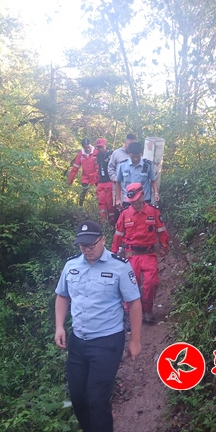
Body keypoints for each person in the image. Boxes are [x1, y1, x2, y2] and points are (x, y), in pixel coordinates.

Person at [55, 221, 142, 432]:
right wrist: (59, 326)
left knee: (97, 399)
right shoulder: (71, 265)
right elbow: (62, 296)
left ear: (103, 240)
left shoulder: (120, 267)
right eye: (82, 246)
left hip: (107, 342)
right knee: (78, 398)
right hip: (78, 341)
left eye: (91, 245)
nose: (87, 250)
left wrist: (135, 340)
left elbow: (134, 302)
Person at [111, 183, 170, 323]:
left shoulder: (153, 211)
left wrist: (164, 246)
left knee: (151, 282)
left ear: (143, 195)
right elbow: (118, 235)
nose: (135, 203)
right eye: (132, 201)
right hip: (131, 254)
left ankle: (147, 310)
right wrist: (113, 253)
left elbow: (162, 231)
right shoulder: (125, 214)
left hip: (149, 254)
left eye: (137, 200)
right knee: (131, 283)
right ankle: (129, 313)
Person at [115, 141, 159, 210]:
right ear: (129, 154)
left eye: (138, 156)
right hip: (128, 200)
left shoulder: (147, 164)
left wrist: (156, 193)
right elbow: (118, 182)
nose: (136, 159)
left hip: (144, 200)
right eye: (133, 156)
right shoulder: (122, 165)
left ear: (141, 154)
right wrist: (118, 199)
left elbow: (153, 180)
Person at [68, 138, 99, 207]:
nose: (87, 149)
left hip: (96, 175)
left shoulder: (96, 152)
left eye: (88, 147)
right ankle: (80, 207)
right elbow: (75, 168)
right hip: (86, 176)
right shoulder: (80, 154)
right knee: (84, 190)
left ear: (90, 144)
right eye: (85, 148)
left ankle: (100, 207)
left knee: (100, 191)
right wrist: (70, 180)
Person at [94, 138, 115, 224]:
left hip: (109, 181)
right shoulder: (97, 156)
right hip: (100, 182)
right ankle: (103, 222)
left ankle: (112, 221)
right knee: (101, 203)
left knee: (110, 203)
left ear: (105, 145)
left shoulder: (111, 154)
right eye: (98, 147)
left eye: (101, 147)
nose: (100, 149)